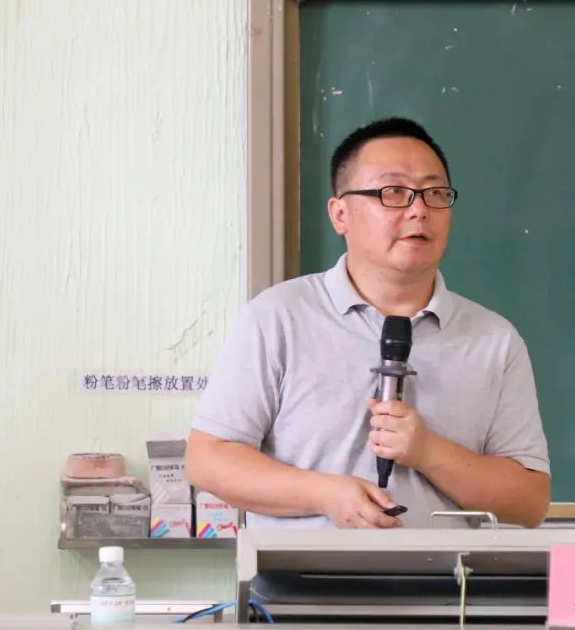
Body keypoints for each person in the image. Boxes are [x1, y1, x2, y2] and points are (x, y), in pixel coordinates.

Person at [186, 117, 550, 529]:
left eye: (434, 193)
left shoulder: (494, 340)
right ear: (340, 214)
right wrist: (323, 494)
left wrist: (429, 452)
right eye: (393, 192)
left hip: (445, 572)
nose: (418, 209)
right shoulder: (277, 317)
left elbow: (530, 502)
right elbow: (207, 459)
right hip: (302, 572)